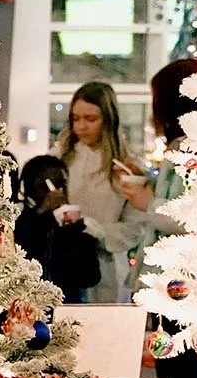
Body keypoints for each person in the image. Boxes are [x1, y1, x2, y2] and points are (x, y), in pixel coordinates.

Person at [134, 58, 197, 378]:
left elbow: (190, 217)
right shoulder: (183, 148)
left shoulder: (193, 151)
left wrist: (147, 202)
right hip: (175, 284)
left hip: (182, 285)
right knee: (178, 377)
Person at [54, 82, 151, 303]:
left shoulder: (126, 168)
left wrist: (97, 232)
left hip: (106, 266)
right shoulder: (59, 159)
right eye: (76, 118)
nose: (81, 126)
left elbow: (135, 226)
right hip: (63, 262)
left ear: (108, 120)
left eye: (90, 119)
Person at [14, 154, 103, 302]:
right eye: (45, 186)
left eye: (61, 184)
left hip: (66, 306)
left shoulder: (75, 226)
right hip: (26, 305)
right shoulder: (17, 220)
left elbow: (90, 277)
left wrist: (73, 234)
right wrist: (41, 215)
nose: (57, 192)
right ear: (29, 188)